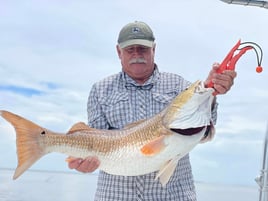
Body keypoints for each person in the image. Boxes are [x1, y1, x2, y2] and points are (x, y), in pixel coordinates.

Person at [68, 21, 236, 201]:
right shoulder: (100, 90)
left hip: (173, 196)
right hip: (114, 195)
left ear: (153, 49)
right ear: (118, 52)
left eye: (143, 48)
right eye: (130, 49)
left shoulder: (180, 86)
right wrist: (84, 163)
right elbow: (95, 141)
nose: (136, 54)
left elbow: (203, 132)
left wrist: (211, 92)